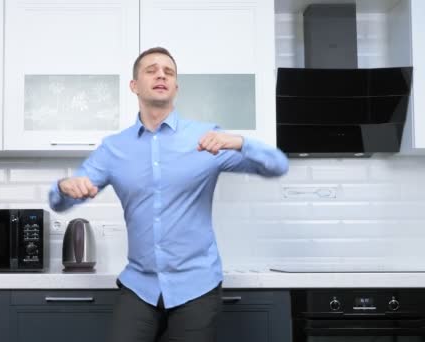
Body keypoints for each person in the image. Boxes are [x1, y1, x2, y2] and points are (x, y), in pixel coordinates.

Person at [48, 47, 289, 342]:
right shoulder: (113, 148)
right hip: (139, 287)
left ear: (176, 87)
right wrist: (64, 187)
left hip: (197, 285)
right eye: (151, 70)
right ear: (134, 86)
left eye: (169, 71)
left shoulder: (207, 138)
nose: (161, 74)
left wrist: (238, 141)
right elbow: (60, 201)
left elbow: (277, 165)